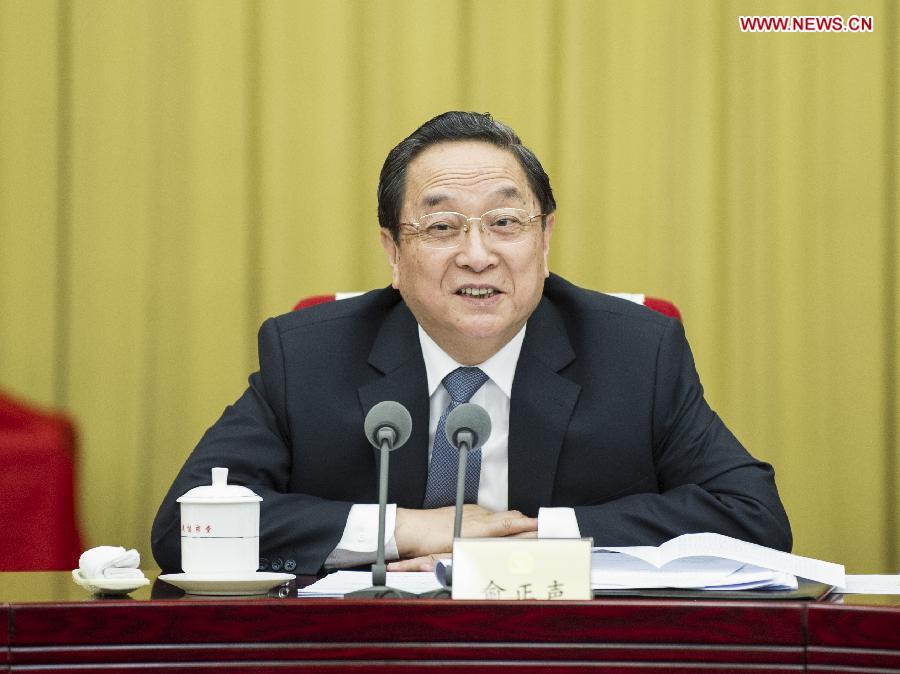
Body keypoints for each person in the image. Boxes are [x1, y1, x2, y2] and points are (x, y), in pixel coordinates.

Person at [151, 111, 791, 576]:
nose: (477, 255)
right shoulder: (308, 356)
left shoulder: (636, 352)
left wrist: (538, 540)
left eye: (506, 222)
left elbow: (753, 517)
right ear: (393, 254)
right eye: (441, 226)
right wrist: (404, 529)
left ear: (544, 242)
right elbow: (185, 526)